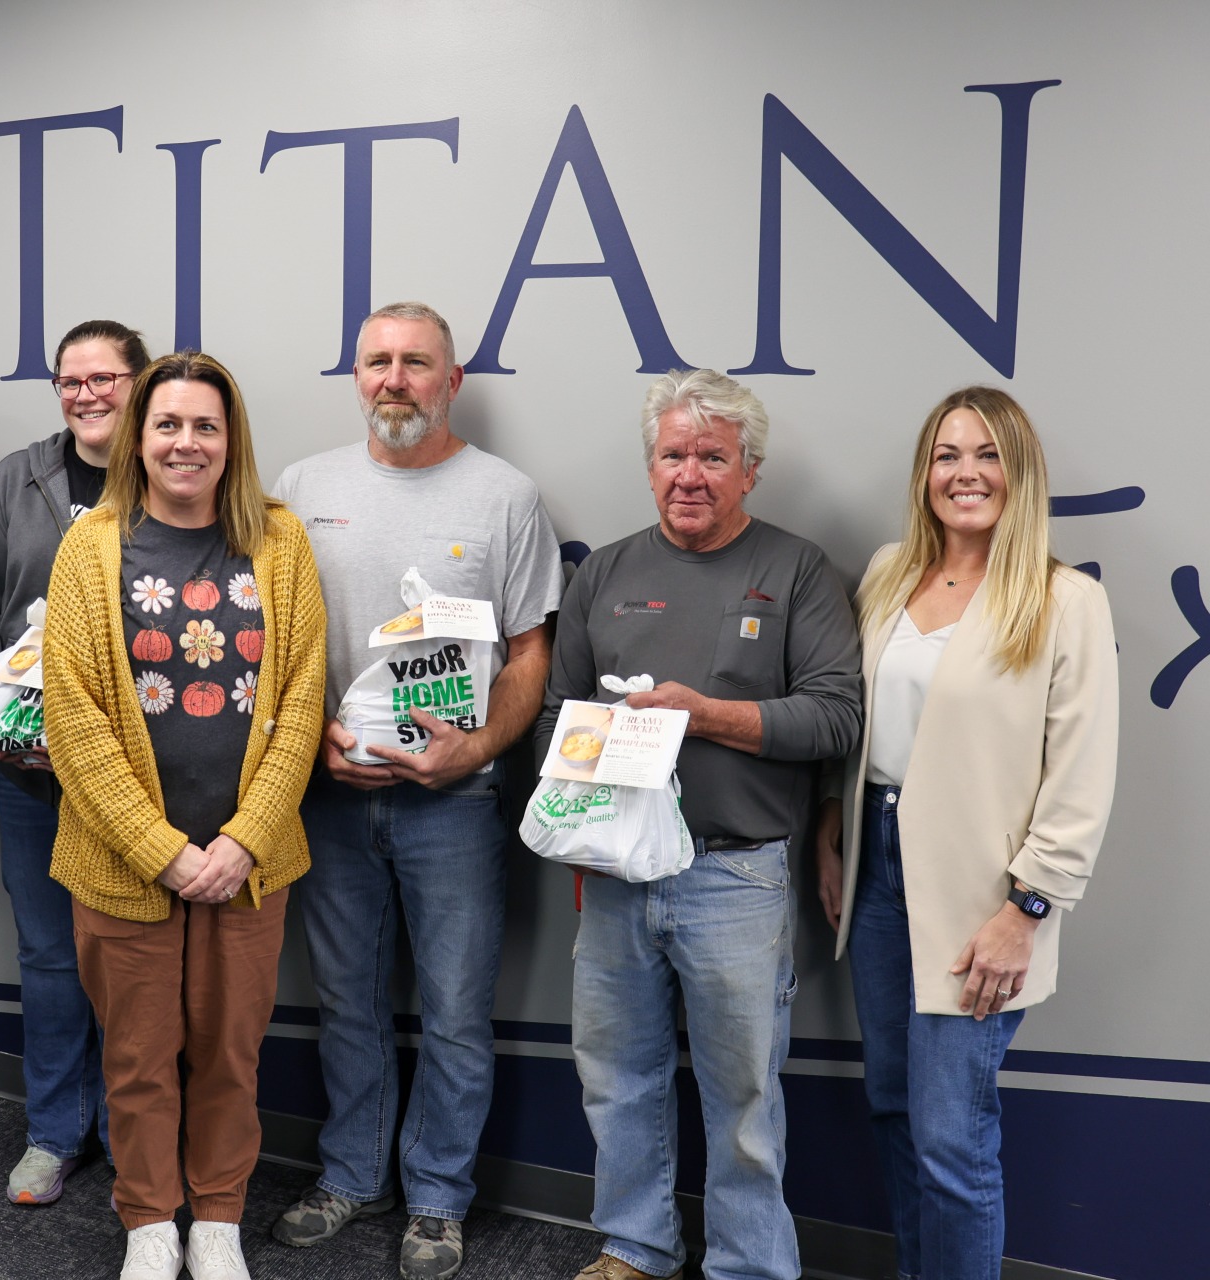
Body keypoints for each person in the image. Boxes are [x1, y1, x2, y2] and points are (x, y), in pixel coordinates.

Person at [539, 369, 862, 1280]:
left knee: (744, 1095)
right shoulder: (604, 571)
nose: (691, 474)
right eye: (674, 454)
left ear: (749, 470)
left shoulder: (795, 569)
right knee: (617, 1080)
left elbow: (837, 717)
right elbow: (554, 720)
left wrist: (701, 715)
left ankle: (749, 1265)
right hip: (613, 877)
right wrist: (579, 792)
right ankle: (635, 1247)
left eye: (713, 457)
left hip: (737, 874)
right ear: (650, 466)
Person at [270, 302, 560, 1280]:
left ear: (452, 379)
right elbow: (271, 647)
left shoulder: (508, 497)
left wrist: (471, 748)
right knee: (346, 1000)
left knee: (454, 1007)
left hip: (456, 802)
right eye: (377, 361)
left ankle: (437, 1195)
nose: (395, 378)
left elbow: (530, 652)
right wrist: (310, 744)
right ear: (357, 375)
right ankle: (353, 1172)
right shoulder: (298, 490)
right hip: (332, 792)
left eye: (416, 362)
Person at [814, 387, 1117, 1280]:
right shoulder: (885, 574)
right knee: (894, 1109)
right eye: (947, 455)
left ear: (1019, 474)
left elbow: (1082, 774)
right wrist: (834, 834)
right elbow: (856, 722)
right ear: (925, 473)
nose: (966, 473)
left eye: (988, 455)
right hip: (876, 864)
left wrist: (1027, 908)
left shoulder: (1064, 600)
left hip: (985, 891)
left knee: (952, 1136)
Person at [44, 350, 325, 1280]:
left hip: (250, 866)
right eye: (167, 424)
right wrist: (163, 851)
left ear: (231, 439)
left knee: (229, 1057)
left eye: (206, 425)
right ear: (138, 436)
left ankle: (217, 1217)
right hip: (125, 863)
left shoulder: (279, 543)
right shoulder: (93, 546)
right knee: (137, 1059)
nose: (185, 442)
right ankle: (148, 1222)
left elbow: (302, 694)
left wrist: (242, 841)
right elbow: (73, 718)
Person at [0, 319, 150, 1205]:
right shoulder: (18, 481)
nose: (88, 394)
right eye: (71, 380)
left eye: (105, 378)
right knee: (52, 956)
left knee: (138, 955)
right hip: (28, 772)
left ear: (139, 382)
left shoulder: (179, 471)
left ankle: (135, 1138)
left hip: (145, 779)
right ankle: (56, 1132)